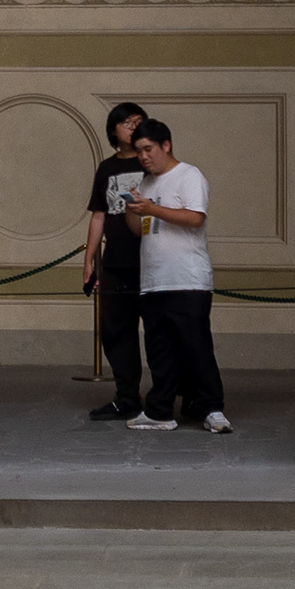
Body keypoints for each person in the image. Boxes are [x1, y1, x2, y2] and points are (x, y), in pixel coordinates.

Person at [124, 119, 230, 434]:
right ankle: (160, 411)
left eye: (148, 149)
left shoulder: (189, 175)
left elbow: (195, 218)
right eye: (138, 151)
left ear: (166, 145)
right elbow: (138, 232)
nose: (143, 157)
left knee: (196, 347)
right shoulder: (145, 185)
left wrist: (152, 210)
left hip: (188, 279)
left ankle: (213, 409)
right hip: (154, 280)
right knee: (159, 350)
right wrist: (132, 210)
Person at [80, 101, 156, 421]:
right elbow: (98, 215)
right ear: (113, 130)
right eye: (126, 122)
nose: (132, 126)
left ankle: (164, 396)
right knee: (116, 332)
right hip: (115, 263)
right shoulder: (107, 168)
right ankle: (127, 396)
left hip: (153, 261)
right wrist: (88, 262)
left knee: (159, 331)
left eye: (138, 121)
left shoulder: (152, 164)